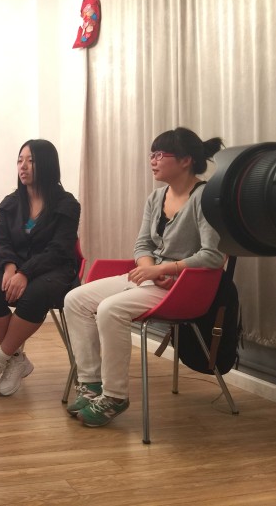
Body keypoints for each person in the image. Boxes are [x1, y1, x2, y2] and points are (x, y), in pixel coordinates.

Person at [64, 127, 226, 427]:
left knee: (110, 309)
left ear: (186, 160)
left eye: (160, 155)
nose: (153, 160)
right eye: (151, 154)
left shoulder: (204, 198)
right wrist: (150, 268)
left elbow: (213, 256)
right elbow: (142, 245)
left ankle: (115, 396)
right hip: (152, 277)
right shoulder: (155, 198)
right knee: (75, 299)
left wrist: (165, 270)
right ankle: (91, 384)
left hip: (183, 287)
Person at [0, 139, 81, 397]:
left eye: (31, 161)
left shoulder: (67, 204)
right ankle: (17, 359)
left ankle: (0, 359)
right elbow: (1, 241)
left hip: (53, 269)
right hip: (15, 265)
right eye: (20, 160)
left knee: (35, 293)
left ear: (47, 164)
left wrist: (25, 274)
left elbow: (59, 249)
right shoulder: (11, 202)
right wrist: (10, 267)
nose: (23, 166)